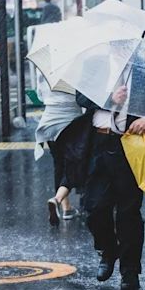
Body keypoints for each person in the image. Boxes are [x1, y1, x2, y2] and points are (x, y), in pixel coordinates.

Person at [76, 69, 145, 290]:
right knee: (94, 207)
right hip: (99, 142)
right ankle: (107, 250)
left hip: (130, 144)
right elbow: (81, 96)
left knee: (129, 211)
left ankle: (130, 270)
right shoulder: (96, 63)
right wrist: (109, 98)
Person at [35, 89, 86, 225]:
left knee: (58, 163)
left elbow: (40, 95)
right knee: (74, 163)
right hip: (70, 121)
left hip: (49, 122)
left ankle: (65, 207)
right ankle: (62, 200)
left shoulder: (48, 73)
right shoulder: (75, 73)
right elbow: (83, 99)